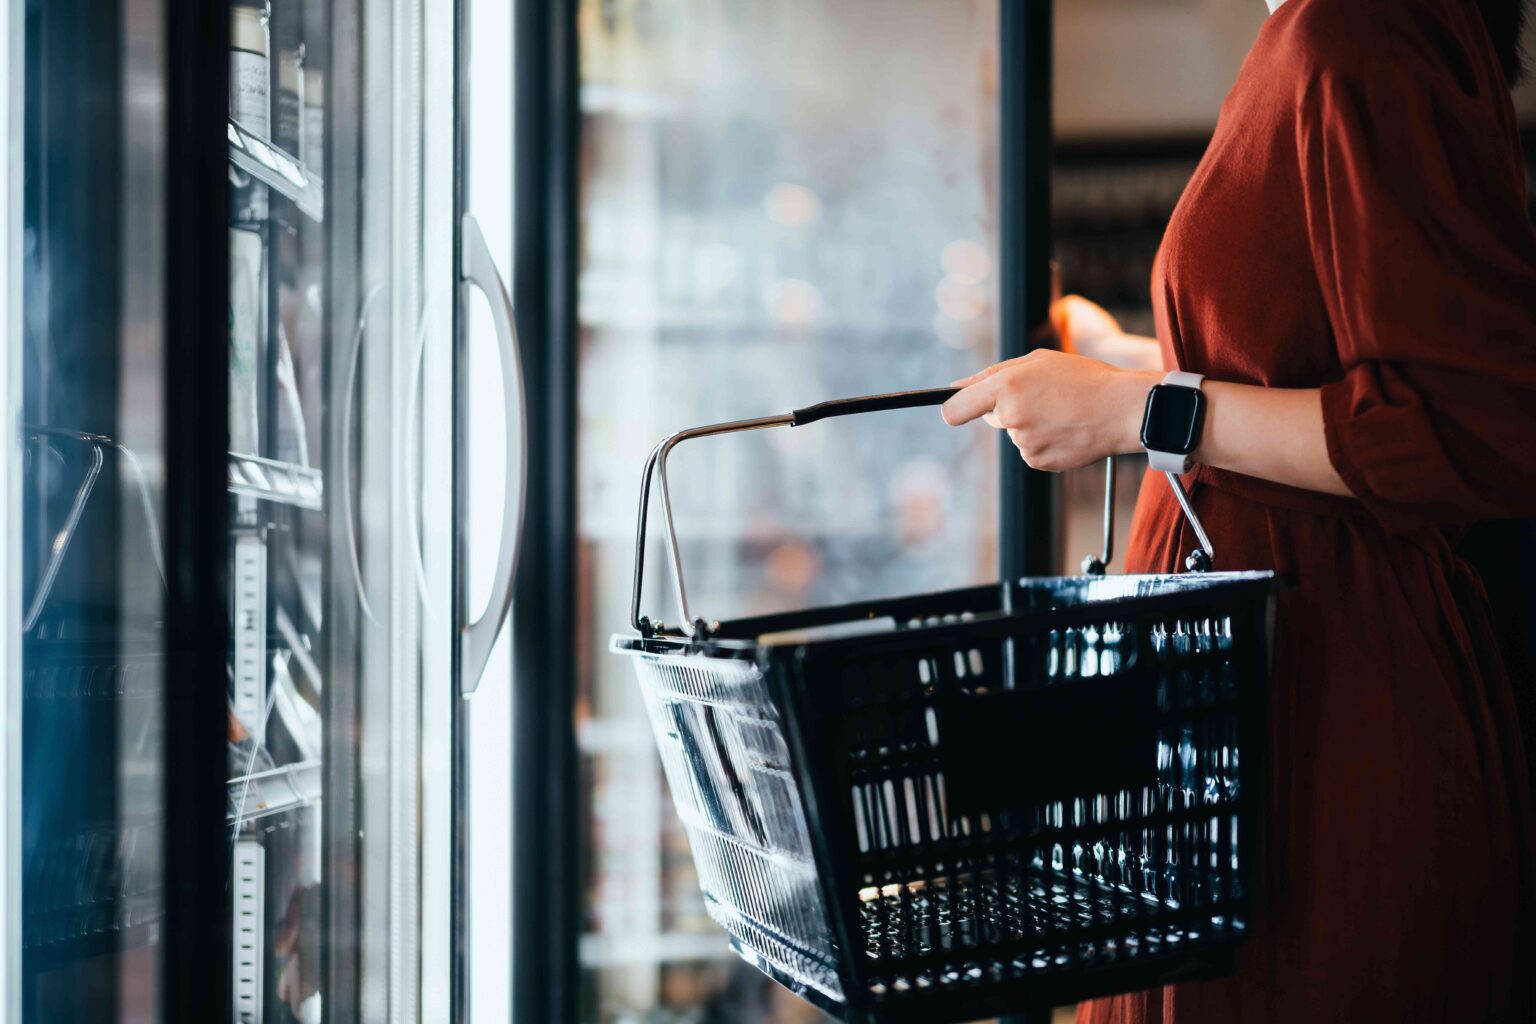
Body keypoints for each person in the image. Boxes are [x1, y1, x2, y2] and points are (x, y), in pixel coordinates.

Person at [941, 0, 1536, 1019]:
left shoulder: (1357, 29)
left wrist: (1139, 409)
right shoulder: (1324, 28)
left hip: (1319, 711)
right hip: (1270, 690)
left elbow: (1473, 423)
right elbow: (1317, 359)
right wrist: (1129, 361)